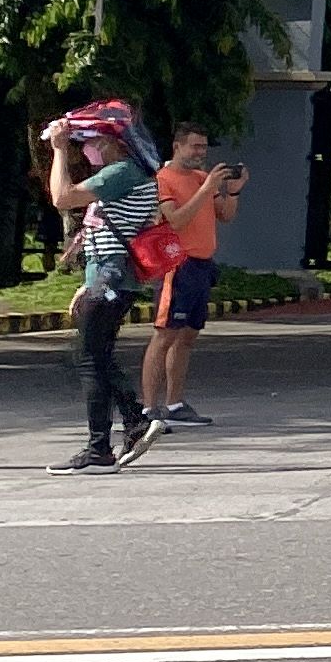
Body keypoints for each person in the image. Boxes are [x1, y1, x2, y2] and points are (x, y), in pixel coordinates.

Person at [44, 100, 167, 474]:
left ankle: (99, 447)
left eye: (91, 139)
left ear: (112, 141)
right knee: (97, 355)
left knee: (89, 360)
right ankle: (135, 422)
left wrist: (59, 151)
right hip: (110, 277)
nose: (87, 146)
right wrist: (88, 284)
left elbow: (61, 198)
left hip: (111, 277)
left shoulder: (122, 172)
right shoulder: (130, 171)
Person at [139, 125, 243, 428]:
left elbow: (226, 215)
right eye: (195, 146)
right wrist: (207, 189)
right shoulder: (163, 179)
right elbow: (176, 219)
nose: (200, 153)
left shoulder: (201, 179)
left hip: (202, 264)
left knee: (187, 337)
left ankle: (175, 402)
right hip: (176, 265)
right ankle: (148, 408)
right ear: (177, 146)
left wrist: (232, 191)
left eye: (203, 147)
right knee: (164, 335)